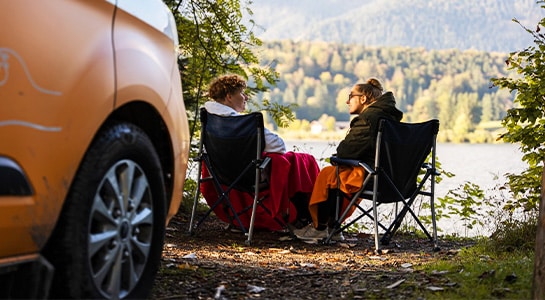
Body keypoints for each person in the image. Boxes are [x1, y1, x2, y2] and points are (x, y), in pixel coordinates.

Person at [201, 74, 319, 230]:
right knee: (300, 161)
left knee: (292, 160)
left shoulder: (209, 119)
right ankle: (302, 219)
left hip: (220, 176)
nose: (246, 97)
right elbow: (278, 146)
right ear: (229, 96)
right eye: (242, 93)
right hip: (249, 176)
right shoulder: (242, 123)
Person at [293, 78, 403, 241]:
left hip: (376, 180)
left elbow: (345, 152)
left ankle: (320, 227)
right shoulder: (391, 118)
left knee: (329, 174)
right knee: (345, 175)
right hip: (399, 183)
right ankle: (334, 228)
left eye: (351, 96)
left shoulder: (368, 119)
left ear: (363, 99)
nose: (347, 101)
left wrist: (339, 158)